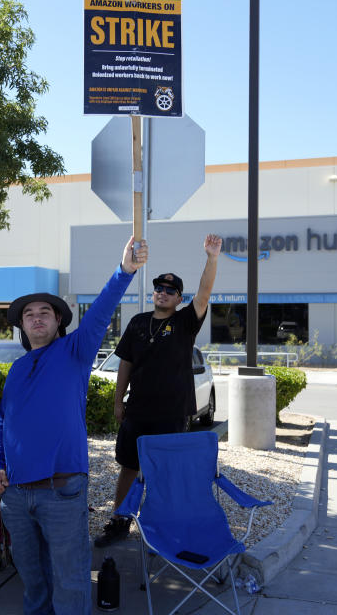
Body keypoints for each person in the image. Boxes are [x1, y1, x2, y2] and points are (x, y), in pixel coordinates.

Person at [0, 236, 148, 614]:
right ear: (22, 326)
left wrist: (124, 270)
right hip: (15, 497)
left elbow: (102, 311)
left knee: (71, 582)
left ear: (58, 320)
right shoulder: (16, 369)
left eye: (45, 311)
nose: (37, 317)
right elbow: (2, 423)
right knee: (34, 584)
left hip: (62, 493)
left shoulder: (75, 351)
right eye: (29, 314)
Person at [94, 234, 222, 548]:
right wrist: (118, 400)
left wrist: (212, 258)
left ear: (179, 298)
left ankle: (166, 527)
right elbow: (125, 363)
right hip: (137, 410)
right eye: (159, 289)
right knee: (128, 466)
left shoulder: (185, 322)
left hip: (173, 413)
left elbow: (204, 293)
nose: (162, 293)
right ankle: (120, 520)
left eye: (170, 291)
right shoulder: (137, 322)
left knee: (167, 472)